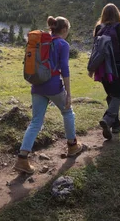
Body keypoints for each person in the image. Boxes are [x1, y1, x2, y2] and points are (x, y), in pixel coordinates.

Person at [14, 16, 83, 174]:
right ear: (64, 30)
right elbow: (64, 69)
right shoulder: (62, 44)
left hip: (37, 86)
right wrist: (68, 94)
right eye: (68, 31)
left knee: (36, 122)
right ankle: (72, 146)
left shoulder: (41, 42)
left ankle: (22, 158)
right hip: (53, 86)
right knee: (67, 112)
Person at [89, 3, 120, 140]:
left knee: (111, 95)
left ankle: (116, 125)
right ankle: (108, 120)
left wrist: (92, 67)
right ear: (117, 14)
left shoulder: (98, 28)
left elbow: (94, 50)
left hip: (102, 68)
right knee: (117, 96)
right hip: (117, 66)